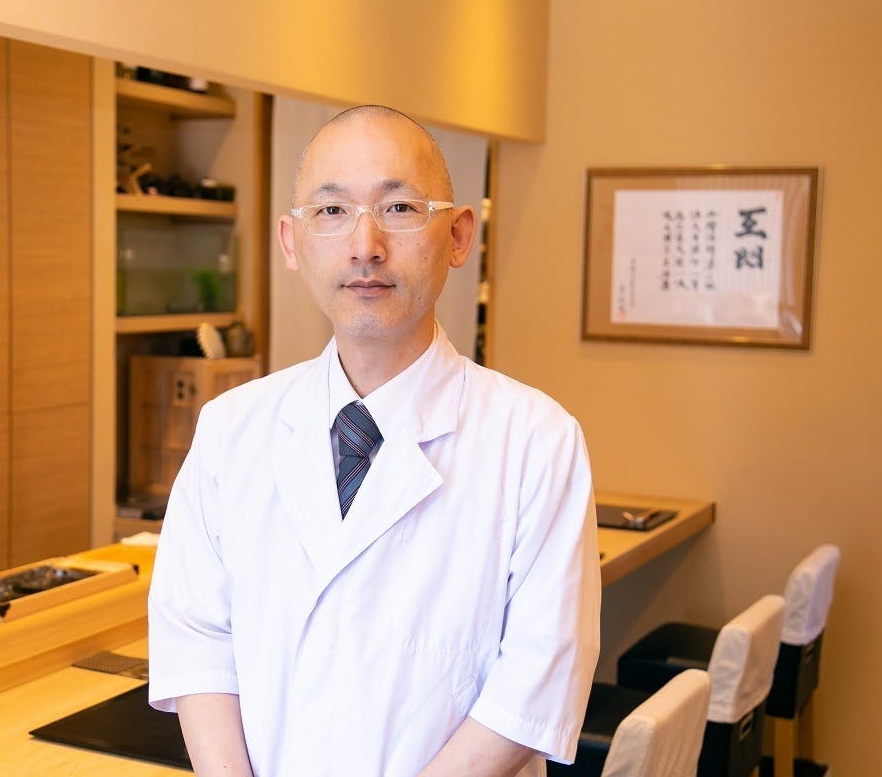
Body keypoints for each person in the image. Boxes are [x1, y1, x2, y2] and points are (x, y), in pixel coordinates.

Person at [148, 105, 600, 777]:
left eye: (399, 209)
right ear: (292, 242)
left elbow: (536, 685)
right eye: (331, 211)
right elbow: (197, 642)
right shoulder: (230, 429)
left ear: (459, 235)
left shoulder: (538, 441)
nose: (365, 245)